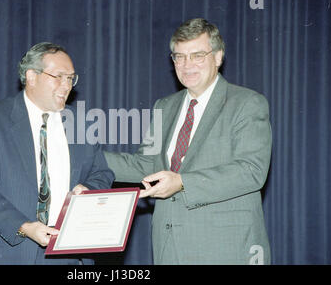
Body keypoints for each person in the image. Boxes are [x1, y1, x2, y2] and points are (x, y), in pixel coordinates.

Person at [104, 18, 272, 264]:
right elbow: (145, 165)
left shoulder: (247, 103)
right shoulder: (164, 106)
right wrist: (87, 158)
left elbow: (251, 171)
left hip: (225, 248)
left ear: (218, 57)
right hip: (168, 247)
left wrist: (182, 182)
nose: (187, 65)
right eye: (179, 57)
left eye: (198, 55)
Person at [0, 42, 114, 264]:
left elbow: (102, 173)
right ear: (31, 76)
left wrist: (89, 190)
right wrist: (24, 227)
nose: (67, 85)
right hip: (8, 251)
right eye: (58, 76)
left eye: (71, 78)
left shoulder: (82, 122)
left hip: (67, 254)